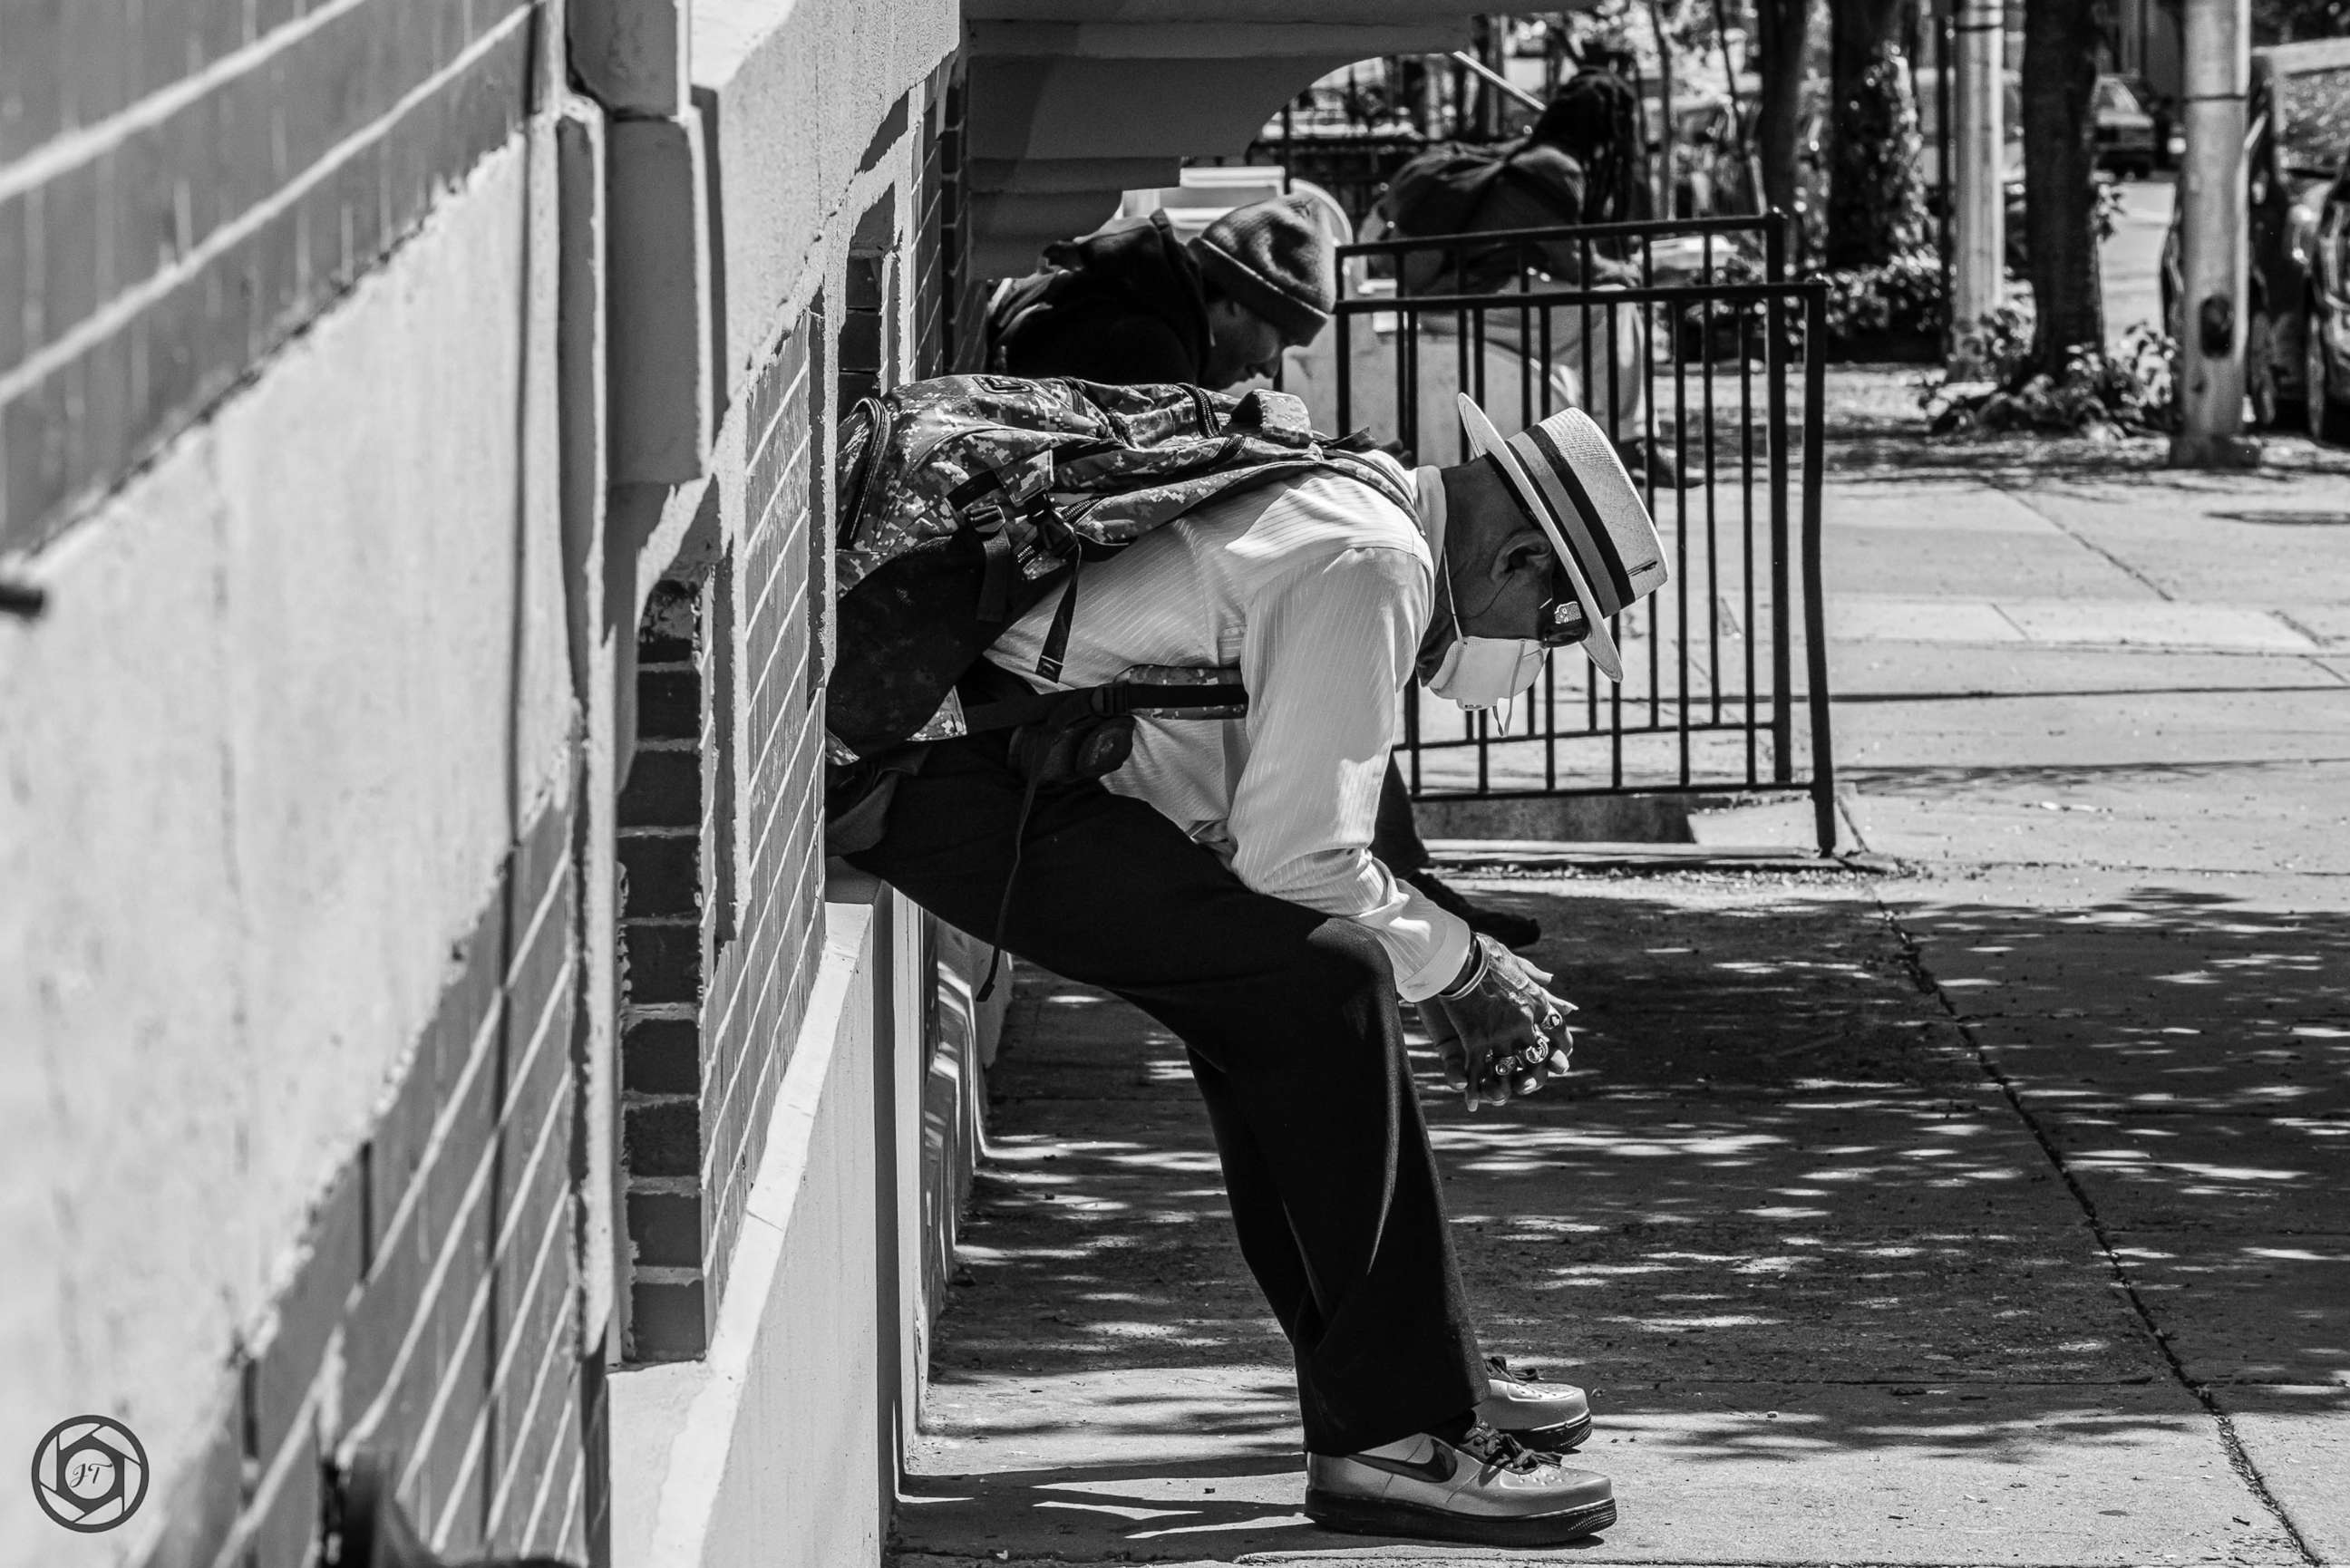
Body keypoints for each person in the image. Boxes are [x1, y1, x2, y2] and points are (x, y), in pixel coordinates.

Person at [845, 395, 1666, 1546]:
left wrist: (1433, 951)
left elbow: (1251, 810)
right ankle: (1394, 1435)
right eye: (1557, 620)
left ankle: (1421, 1392)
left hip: (990, 763)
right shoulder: (1373, 562)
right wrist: (1460, 967)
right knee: (1321, 986)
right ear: (1521, 552)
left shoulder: (1353, 504)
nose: (1543, 646)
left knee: (1298, 995)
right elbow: (1303, 860)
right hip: (948, 774)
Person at [988, 194, 1540, 949]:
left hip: (1047, 660)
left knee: (1335, 669)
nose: (1260, 373)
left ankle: (1394, 880)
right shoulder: (1140, 347)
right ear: (1225, 299)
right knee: (1337, 658)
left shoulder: (1141, 314)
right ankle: (1394, 888)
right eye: (1259, 350)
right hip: (1025, 681)